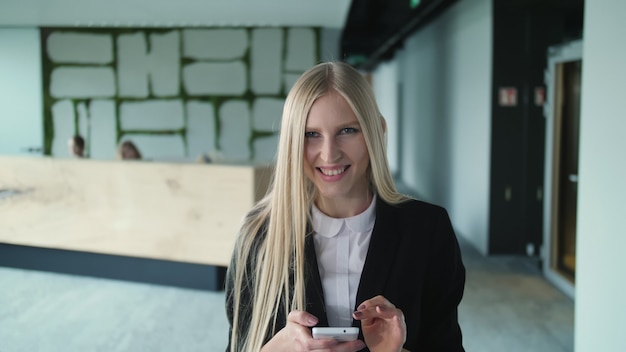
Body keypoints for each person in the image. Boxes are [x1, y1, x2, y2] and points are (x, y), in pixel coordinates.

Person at [225, 61, 465, 352]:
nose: (329, 154)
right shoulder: (259, 234)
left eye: (347, 130)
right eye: (311, 134)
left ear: (377, 131)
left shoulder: (428, 230)